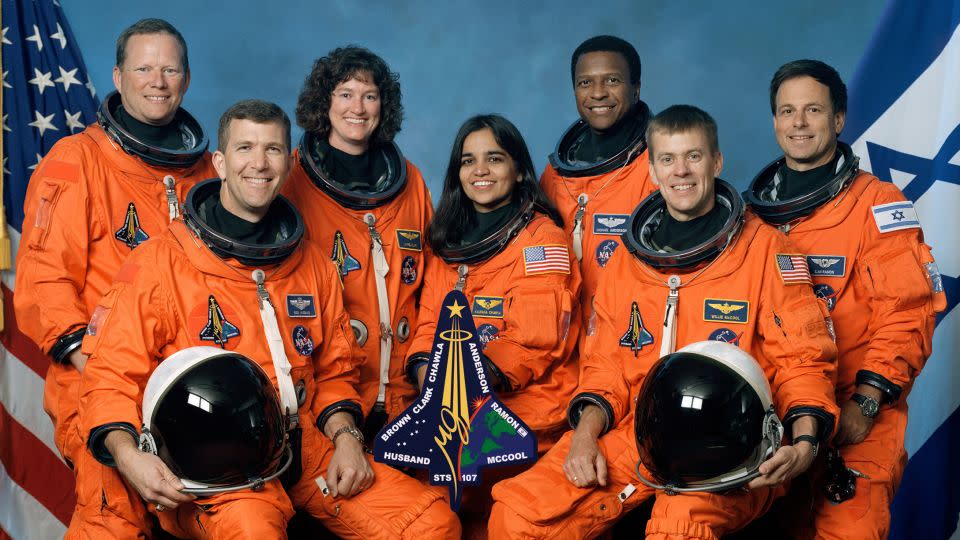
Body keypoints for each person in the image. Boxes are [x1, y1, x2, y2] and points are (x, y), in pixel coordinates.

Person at [77, 99, 460, 539]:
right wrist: (129, 455)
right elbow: (108, 376)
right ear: (219, 162)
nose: (258, 164)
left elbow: (335, 370)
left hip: (307, 447)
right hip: (217, 471)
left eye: (273, 150)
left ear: (288, 162)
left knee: (432, 524)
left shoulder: (313, 264)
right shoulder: (160, 264)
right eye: (244, 149)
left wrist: (347, 438)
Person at [489, 105, 839, 539]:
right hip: (636, 434)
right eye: (669, 159)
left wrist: (804, 443)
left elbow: (803, 361)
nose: (682, 172)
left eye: (694, 156)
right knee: (517, 514)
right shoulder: (625, 262)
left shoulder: (767, 252)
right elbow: (605, 370)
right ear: (653, 170)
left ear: (717, 161)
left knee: (679, 526)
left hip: (734, 444)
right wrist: (583, 436)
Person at [14, 18, 215, 537]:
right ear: (118, 77)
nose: (158, 80)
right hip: (102, 383)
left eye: (170, 68)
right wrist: (105, 373)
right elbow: (44, 283)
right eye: (144, 67)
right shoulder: (76, 162)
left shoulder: (207, 178)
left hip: (187, 387)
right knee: (114, 520)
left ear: (187, 79)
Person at [744, 59, 946, 539]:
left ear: (838, 119)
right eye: (787, 111)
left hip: (854, 415)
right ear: (774, 121)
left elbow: (907, 314)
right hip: (775, 418)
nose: (798, 123)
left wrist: (868, 402)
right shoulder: (750, 217)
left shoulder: (878, 204)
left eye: (812, 110)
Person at [405, 114, 582, 532]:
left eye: (494, 159)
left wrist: (461, 383)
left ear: (519, 170)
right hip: (455, 422)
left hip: (528, 425)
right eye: (468, 161)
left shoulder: (542, 241)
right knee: (425, 518)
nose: (479, 170)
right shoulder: (447, 241)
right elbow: (429, 323)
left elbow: (533, 341)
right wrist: (423, 373)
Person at [282, 46, 433, 440]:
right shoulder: (290, 182)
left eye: (370, 95)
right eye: (345, 94)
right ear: (324, 101)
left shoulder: (411, 182)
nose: (359, 108)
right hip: (332, 400)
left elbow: (433, 282)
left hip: (408, 391)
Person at [539, 35, 657, 312]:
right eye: (585, 82)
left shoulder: (660, 166)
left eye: (612, 80)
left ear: (636, 88)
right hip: (565, 333)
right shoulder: (555, 174)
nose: (598, 93)